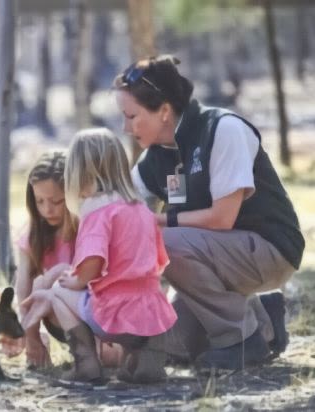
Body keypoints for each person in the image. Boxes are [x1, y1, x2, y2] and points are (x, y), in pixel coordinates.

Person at [113, 55, 305, 369]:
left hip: (270, 250)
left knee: (161, 240)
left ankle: (240, 340)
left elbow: (222, 218)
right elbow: (123, 213)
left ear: (164, 111)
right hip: (216, 257)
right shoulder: (155, 158)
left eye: (131, 116)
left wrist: (159, 220)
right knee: (173, 343)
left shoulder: (223, 129)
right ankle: (264, 320)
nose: (125, 127)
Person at [21, 129, 177, 383]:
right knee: (139, 304)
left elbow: (93, 260)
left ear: (81, 173)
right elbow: (158, 261)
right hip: (152, 313)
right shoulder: (141, 209)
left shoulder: (97, 211)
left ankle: (86, 364)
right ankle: (144, 363)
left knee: (57, 293)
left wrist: (77, 281)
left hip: (113, 315)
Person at [0, 150, 121, 369]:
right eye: (39, 201)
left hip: (100, 313)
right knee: (41, 283)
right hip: (62, 317)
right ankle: (47, 341)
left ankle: (96, 350)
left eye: (57, 201)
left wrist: (60, 272)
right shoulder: (33, 234)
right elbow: (24, 289)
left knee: (112, 360)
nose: (47, 210)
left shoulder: (91, 225)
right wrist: (30, 336)